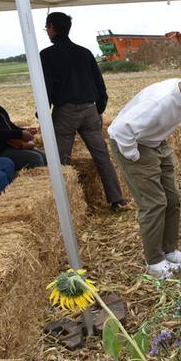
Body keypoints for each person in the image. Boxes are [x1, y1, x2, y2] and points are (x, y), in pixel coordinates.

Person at [108, 60, 181, 278]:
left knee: (172, 199)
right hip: (133, 143)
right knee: (153, 203)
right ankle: (154, 261)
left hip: (156, 142)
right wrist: (134, 156)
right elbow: (122, 129)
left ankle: (169, 251)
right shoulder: (161, 101)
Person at [40, 11, 127, 211]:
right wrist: (100, 108)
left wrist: (43, 112)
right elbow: (99, 82)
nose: (47, 31)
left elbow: (46, 86)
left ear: (52, 28)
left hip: (66, 112)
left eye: (47, 28)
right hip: (90, 109)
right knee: (102, 156)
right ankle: (117, 200)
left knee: (61, 160)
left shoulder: (47, 55)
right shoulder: (84, 52)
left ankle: (63, 205)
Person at [0, 79, 47, 170]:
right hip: (1, 150)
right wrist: (20, 134)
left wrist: (24, 130)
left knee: (44, 155)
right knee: (36, 159)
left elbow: (9, 125)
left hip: (12, 144)